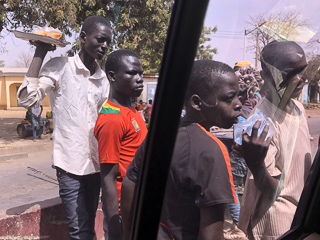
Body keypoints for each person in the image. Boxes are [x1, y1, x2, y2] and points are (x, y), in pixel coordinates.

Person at [121, 60, 248, 240]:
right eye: (229, 98)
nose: (238, 104)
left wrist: (128, 234)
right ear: (197, 102)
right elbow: (210, 234)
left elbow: (129, 182)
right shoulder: (212, 150)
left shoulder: (160, 134)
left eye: (239, 96)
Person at [17, 15, 112, 240]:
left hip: (97, 166)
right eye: (100, 39)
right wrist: (40, 52)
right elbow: (27, 100)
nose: (104, 46)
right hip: (69, 166)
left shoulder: (104, 79)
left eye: (108, 42)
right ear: (83, 37)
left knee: (90, 226)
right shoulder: (61, 66)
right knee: (79, 230)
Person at [238, 41, 313, 240]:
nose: (300, 79)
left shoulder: (298, 108)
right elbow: (269, 190)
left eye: (303, 70)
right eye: (290, 73)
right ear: (266, 76)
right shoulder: (260, 120)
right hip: (276, 226)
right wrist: (256, 165)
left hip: (299, 217)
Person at [94, 49, 147, 240]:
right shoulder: (111, 119)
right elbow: (108, 178)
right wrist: (116, 228)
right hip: (124, 214)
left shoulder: (131, 111)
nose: (139, 78)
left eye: (140, 73)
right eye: (132, 73)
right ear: (112, 76)